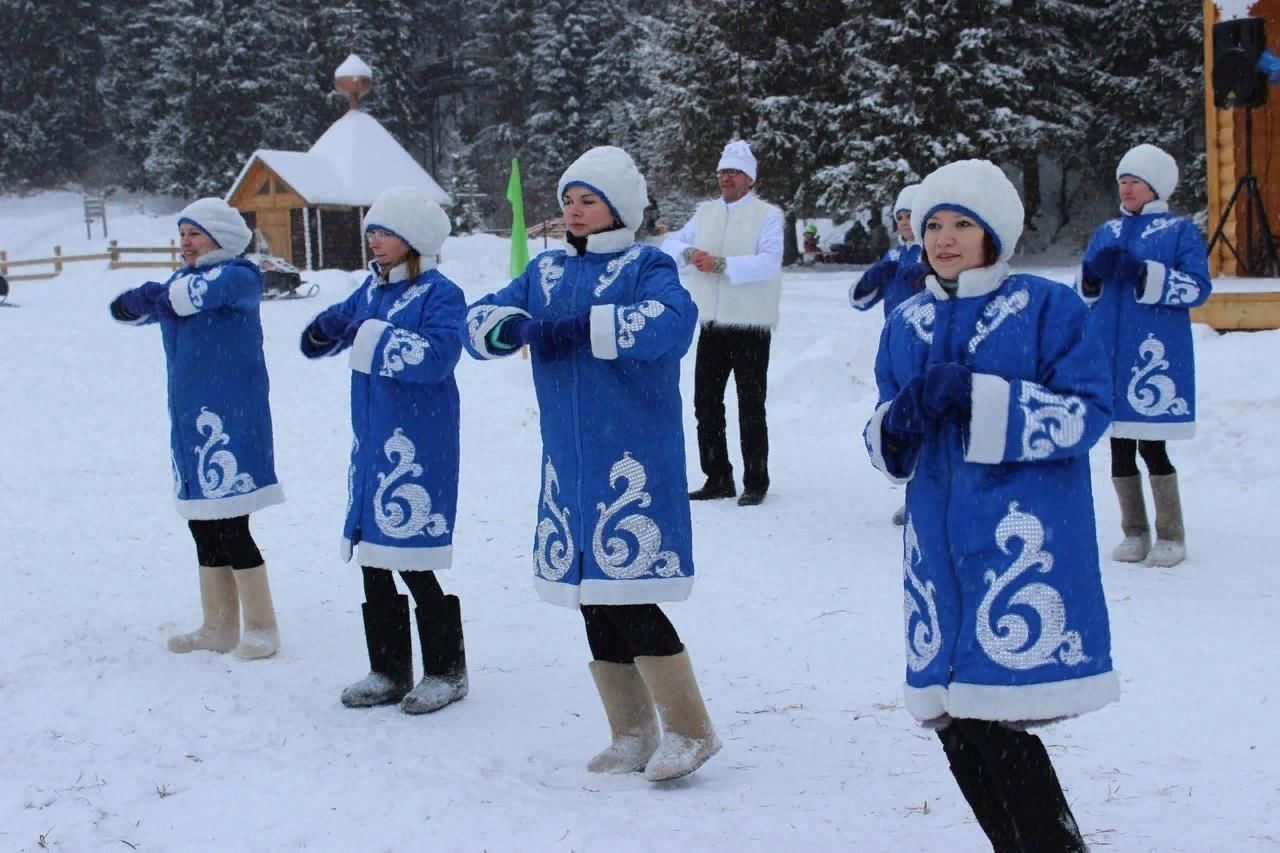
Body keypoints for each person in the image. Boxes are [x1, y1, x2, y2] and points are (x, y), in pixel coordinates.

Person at [864, 159, 1119, 850]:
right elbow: (883, 432)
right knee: (952, 719)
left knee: (995, 720)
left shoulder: (1047, 306)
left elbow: (1089, 411)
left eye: (962, 224)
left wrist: (983, 399)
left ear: (993, 233)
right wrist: (895, 424)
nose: (944, 239)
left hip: (1017, 540)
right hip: (936, 554)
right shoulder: (905, 321)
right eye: (933, 224)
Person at [463, 145, 720, 782]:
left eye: (589, 201)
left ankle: (691, 731)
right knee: (591, 598)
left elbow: (672, 324)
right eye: (568, 201)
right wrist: (515, 328)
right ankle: (631, 732)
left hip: (632, 457)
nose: (575, 212)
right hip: (569, 466)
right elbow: (477, 320)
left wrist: (586, 327)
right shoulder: (545, 271)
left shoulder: (647, 265)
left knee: (631, 596)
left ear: (620, 209)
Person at [300, 187, 469, 715]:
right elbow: (337, 328)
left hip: (418, 444)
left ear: (414, 240)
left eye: (385, 232)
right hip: (371, 443)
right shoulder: (370, 290)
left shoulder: (441, 293)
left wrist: (369, 336)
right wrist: (323, 332)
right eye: (371, 231)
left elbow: (437, 357)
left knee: (413, 560)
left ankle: (447, 670)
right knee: (373, 558)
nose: (374, 241)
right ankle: (388, 669)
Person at [109, 198, 283, 660]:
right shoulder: (181, 280)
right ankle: (219, 626)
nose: (184, 243)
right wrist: (139, 300)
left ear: (221, 237)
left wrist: (157, 296)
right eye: (182, 234)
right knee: (203, 527)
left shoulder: (240, 276)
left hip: (233, 419)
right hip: (189, 419)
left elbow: (191, 298)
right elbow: (126, 310)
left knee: (232, 525)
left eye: (194, 234)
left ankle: (262, 628)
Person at [1079, 143, 1211, 568]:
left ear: (1156, 187)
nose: (1126, 187)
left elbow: (1197, 288)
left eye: (1134, 181)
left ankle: (1171, 534)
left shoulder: (1178, 232)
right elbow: (1085, 295)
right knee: (1118, 449)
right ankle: (1134, 531)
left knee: (1152, 447)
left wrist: (1144, 274)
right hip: (1109, 356)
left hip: (1153, 357)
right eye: (1122, 181)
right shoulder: (1107, 232)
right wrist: (1090, 276)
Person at [661, 139, 784, 506]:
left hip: (749, 323)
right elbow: (669, 243)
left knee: (750, 403)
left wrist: (724, 266)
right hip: (712, 322)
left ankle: (755, 481)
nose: (726, 178)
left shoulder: (767, 216)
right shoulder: (705, 214)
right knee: (706, 401)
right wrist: (689, 253)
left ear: (749, 179)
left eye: (734, 172)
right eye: (722, 172)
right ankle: (717, 476)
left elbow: (769, 262)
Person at [851, 184, 926, 526]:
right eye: (900, 217)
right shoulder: (894, 256)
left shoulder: (932, 252)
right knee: (897, 416)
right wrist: (873, 277)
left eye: (911, 215)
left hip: (926, 348)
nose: (905, 223)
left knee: (926, 417)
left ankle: (929, 492)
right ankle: (911, 489)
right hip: (895, 348)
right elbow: (860, 299)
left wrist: (924, 278)